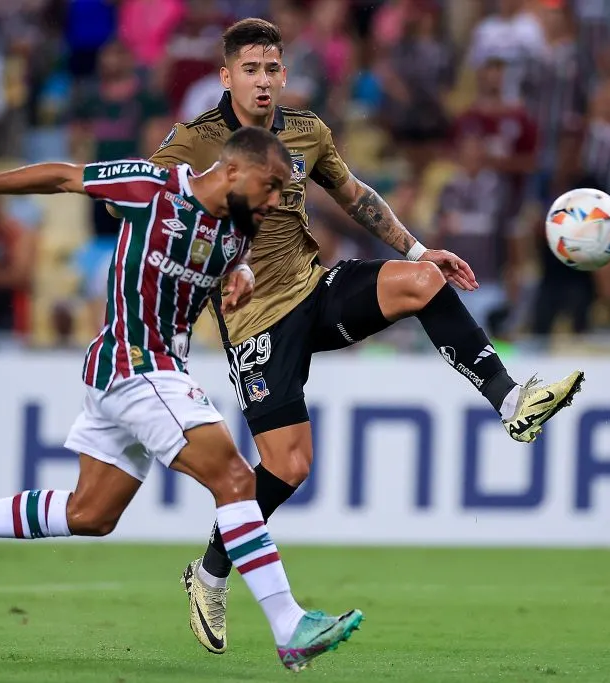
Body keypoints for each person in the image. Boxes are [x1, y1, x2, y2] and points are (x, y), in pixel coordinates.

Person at [142, 18, 584, 655]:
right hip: (256, 321)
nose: (263, 80)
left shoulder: (307, 130)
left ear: (284, 74)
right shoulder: (194, 141)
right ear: (226, 76)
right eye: (250, 70)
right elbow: (143, 204)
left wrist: (419, 248)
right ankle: (210, 572)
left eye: (272, 69)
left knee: (424, 282)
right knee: (289, 467)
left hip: (315, 287)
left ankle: (511, 401)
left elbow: (353, 195)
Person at [0, 126, 364, 672]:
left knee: (91, 513)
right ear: (234, 170)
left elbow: (229, 258)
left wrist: (238, 274)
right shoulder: (152, 187)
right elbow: (64, 177)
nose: (275, 200)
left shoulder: (239, 229)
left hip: (131, 374)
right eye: (270, 185)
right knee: (236, 479)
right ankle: (288, 624)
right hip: (137, 362)